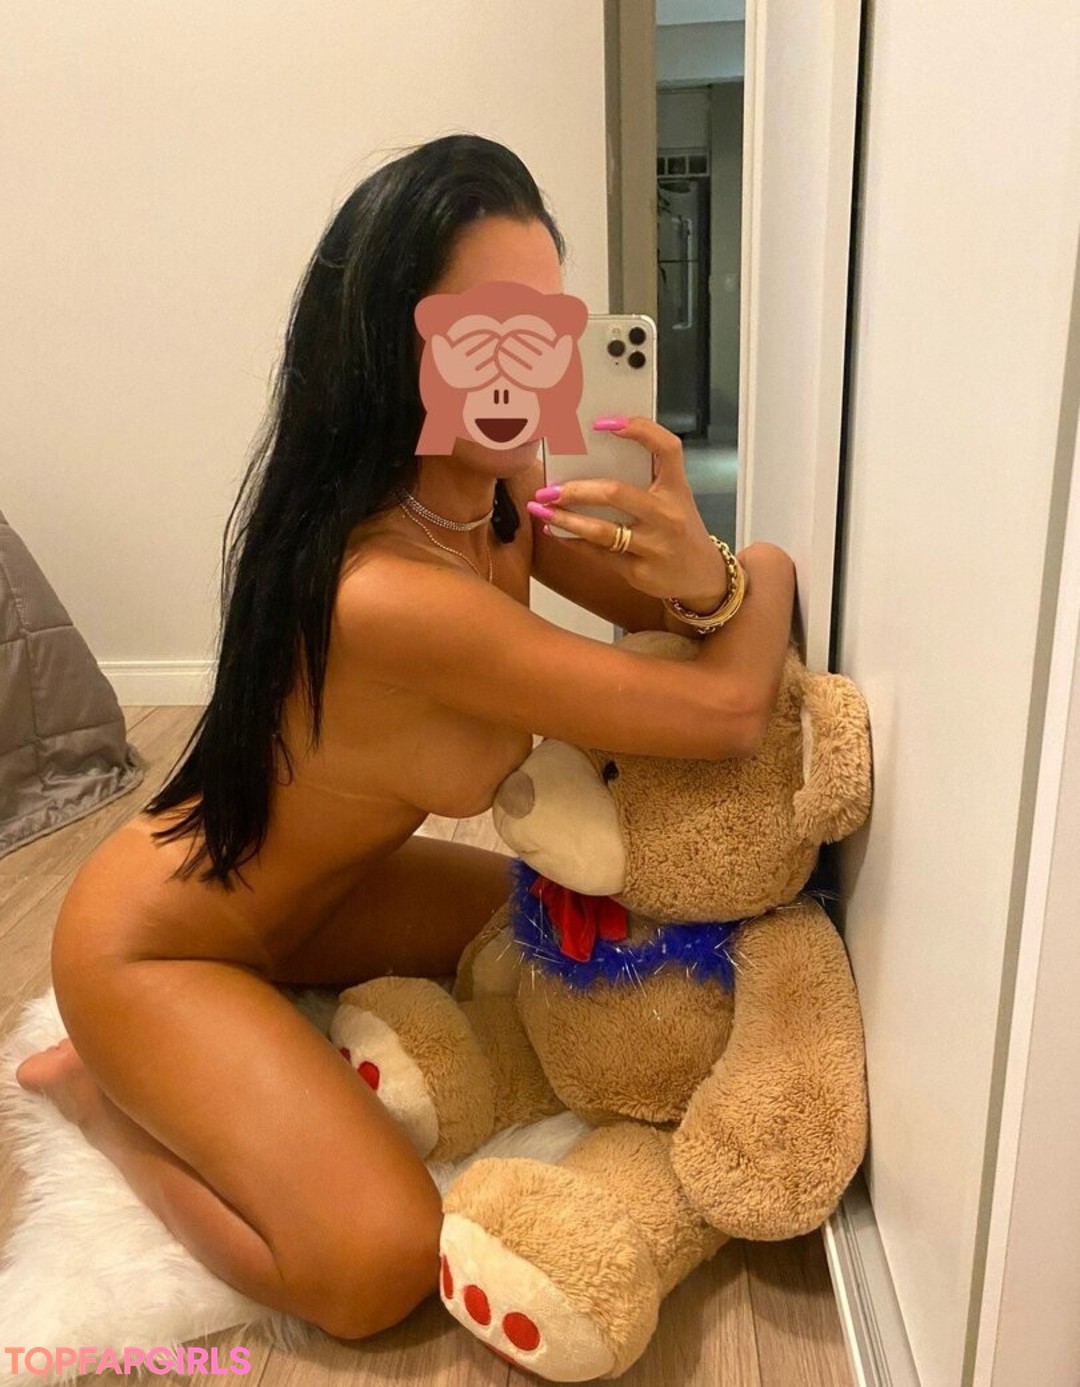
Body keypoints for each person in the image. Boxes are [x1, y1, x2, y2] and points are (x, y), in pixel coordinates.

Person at [14, 133, 796, 1340]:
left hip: (333, 893)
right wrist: (766, 567)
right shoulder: (385, 591)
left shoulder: (497, 492)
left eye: (544, 325)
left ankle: (245, 1040)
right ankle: (99, 1100)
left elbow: (669, 613)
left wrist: (703, 574)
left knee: (571, 940)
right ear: (395, 347)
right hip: (159, 945)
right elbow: (725, 711)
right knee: (373, 1266)